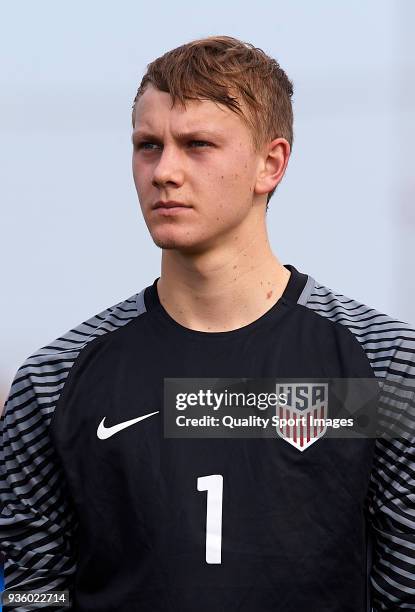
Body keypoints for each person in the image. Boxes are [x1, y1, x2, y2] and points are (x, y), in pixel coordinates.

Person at [1, 35, 414, 612]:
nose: (164, 171)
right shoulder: (53, 380)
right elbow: (29, 589)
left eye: (197, 145)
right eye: (148, 146)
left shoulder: (388, 366)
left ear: (271, 163)